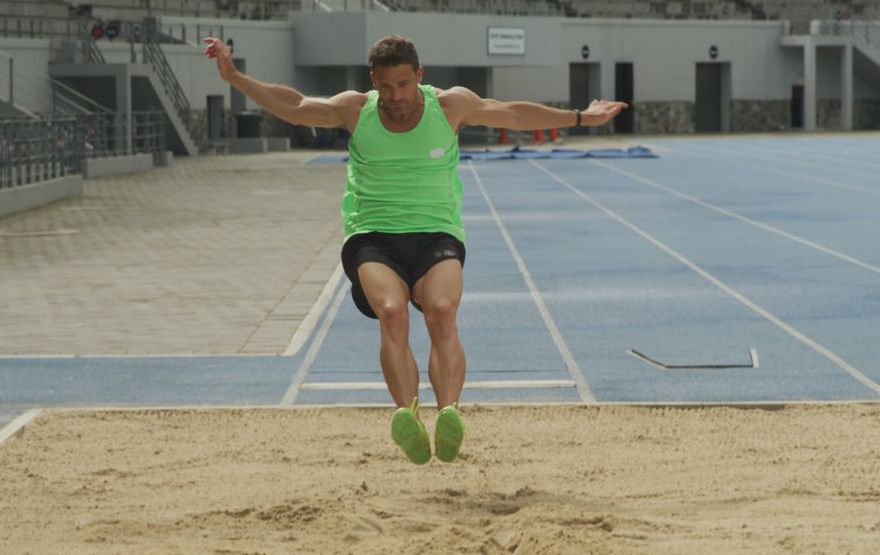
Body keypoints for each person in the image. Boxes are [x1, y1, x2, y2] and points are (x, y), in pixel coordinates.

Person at [205, 34, 627, 465]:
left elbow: (513, 113)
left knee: (441, 312)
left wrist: (581, 117)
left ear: (419, 76)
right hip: (372, 236)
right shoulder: (357, 109)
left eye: (404, 85)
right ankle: (407, 414)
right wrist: (234, 76)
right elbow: (293, 106)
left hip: (436, 234)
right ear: (374, 81)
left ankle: (448, 413)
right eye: (386, 87)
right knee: (392, 312)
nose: (396, 96)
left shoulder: (449, 106)